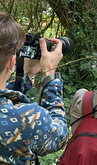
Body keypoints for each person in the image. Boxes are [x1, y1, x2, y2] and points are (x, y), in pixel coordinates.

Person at [0, 11, 69, 164]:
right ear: (12, 62)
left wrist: (25, 75)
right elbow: (60, 136)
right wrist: (50, 75)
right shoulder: (28, 119)